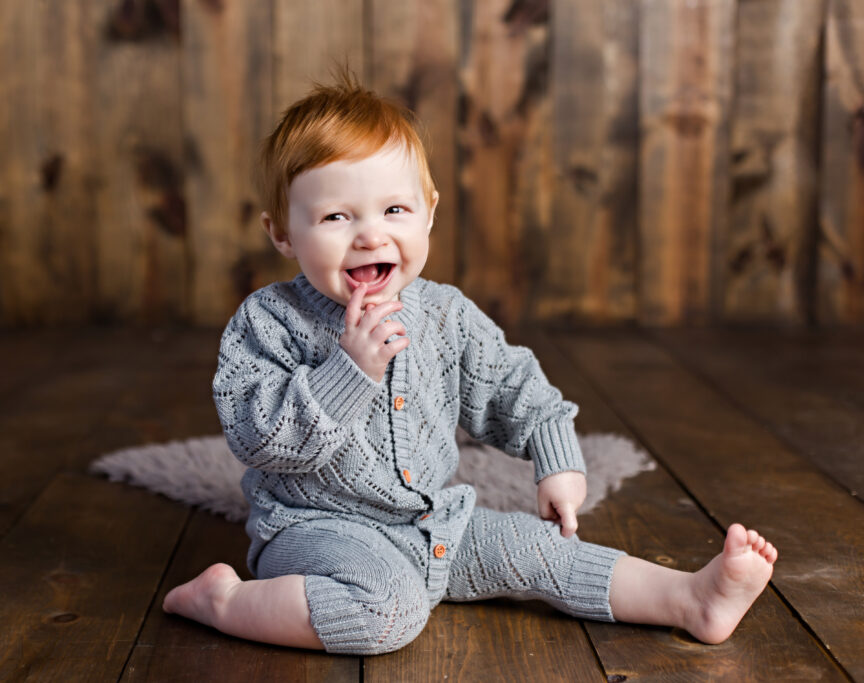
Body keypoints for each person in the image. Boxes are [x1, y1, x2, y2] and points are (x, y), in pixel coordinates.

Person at [162, 73, 777, 655]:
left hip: (436, 522)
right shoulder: (268, 320)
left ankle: (690, 599)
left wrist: (555, 457)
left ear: (429, 211)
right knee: (388, 609)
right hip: (318, 528)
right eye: (335, 216)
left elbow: (516, 388)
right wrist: (347, 373)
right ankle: (226, 602)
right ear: (283, 234)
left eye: (393, 211)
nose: (370, 236)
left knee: (540, 550)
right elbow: (255, 436)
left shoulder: (446, 315)